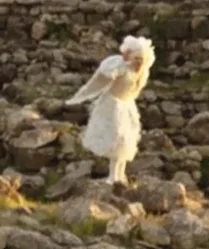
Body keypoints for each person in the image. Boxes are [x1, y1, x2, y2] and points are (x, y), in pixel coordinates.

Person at [66, 36, 156, 184]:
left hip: (126, 106)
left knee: (125, 140)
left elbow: (135, 91)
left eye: (141, 59)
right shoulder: (121, 67)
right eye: (136, 58)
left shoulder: (143, 73)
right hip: (112, 105)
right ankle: (113, 176)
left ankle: (120, 175)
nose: (138, 62)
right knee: (115, 139)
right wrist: (122, 60)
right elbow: (105, 75)